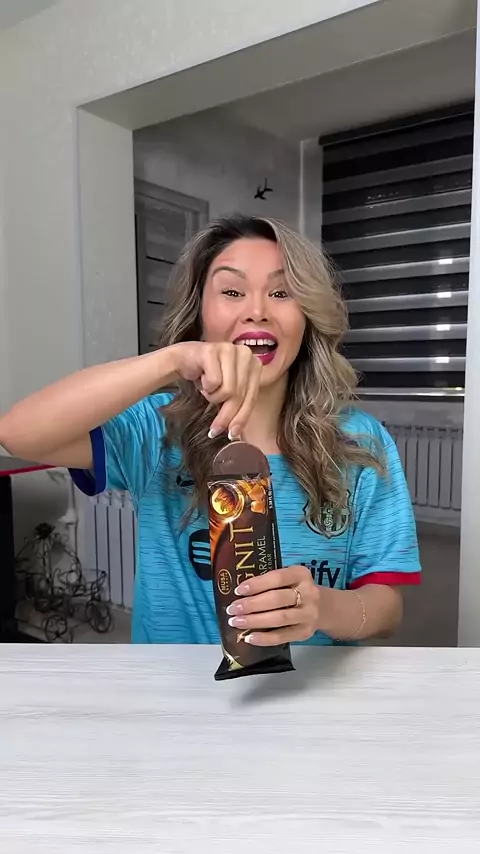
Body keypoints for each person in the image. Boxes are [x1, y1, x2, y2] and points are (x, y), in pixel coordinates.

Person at [0, 215, 421, 646]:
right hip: (172, 686)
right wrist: (169, 360)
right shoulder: (156, 429)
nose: (257, 311)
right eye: (232, 292)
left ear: (308, 317)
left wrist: (321, 608)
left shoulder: (360, 443)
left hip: (308, 684)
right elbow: (18, 433)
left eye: (281, 293)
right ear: (200, 315)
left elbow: (385, 608)